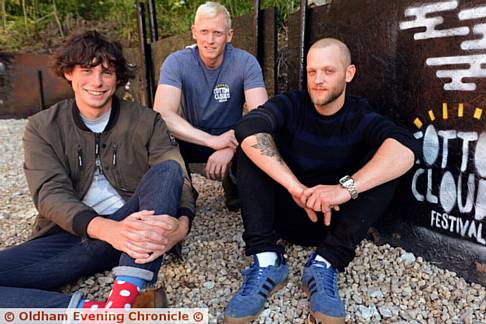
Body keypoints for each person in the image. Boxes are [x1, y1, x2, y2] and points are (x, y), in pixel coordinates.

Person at [223, 38, 420, 323]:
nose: (318, 80)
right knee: (250, 148)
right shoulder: (291, 104)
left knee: (386, 163)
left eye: (328, 71)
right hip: (285, 213)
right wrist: (296, 187)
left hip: (335, 224)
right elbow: (248, 126)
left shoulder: (360, 115)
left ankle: (325, 264)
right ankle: (267, 261)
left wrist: (341, 191)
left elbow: (406, 149)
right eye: (312, 72)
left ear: (348, 74)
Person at [0, 31, 195, 309]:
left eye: (106, 72)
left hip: (137, 231)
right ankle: (98, 311)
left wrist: (180, 227)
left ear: (117, 78)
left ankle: (128, 288)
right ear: (69, 73)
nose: (97, 82)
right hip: (75, 234)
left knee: (168, 171)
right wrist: (108, 230)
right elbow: (50, 194)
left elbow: (180, 180)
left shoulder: (146, 120)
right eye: (87, 70)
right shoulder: (43, 126)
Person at [153, 1, 268, 211]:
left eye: (217, 33)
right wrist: (213, 141)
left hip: (232, 135)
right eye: (204, 32)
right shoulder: (176, 62)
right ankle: (183, 190)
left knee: (261, 139)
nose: (210, 40)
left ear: (229, 35)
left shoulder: (246, 63)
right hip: (191, 135)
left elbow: (262, 115)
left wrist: (230, 146)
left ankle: (234, 182)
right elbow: (163, 114)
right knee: (158, 137)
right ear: (194, 32)